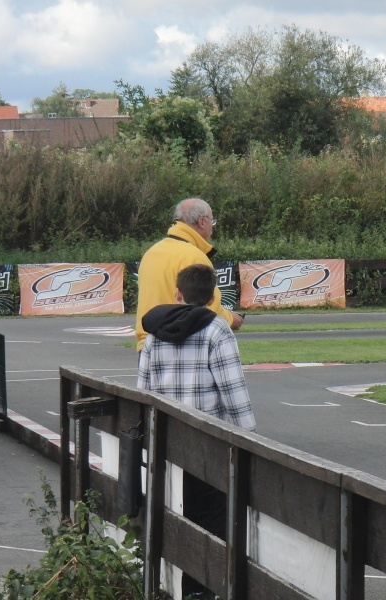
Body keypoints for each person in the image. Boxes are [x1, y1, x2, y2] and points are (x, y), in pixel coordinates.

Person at [137, 263, 255, 600]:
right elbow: (234, 393)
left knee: (172, 513)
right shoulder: (218, 331)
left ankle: (176, 586)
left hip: (167, 443)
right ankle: (204, 589)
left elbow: (144, 392)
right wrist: (249, 437)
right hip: (209, 444)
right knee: (213, 519)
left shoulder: (154, 334)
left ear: (178, 293)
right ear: (213, 296)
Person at [134, 197, 244, 353]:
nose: (212, 229)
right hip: (181, 345)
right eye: (212, 222)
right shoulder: (194, 257)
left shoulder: (151, 253)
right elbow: (209, 308)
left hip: (147, 345)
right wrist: (232, 319)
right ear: (201, 222)